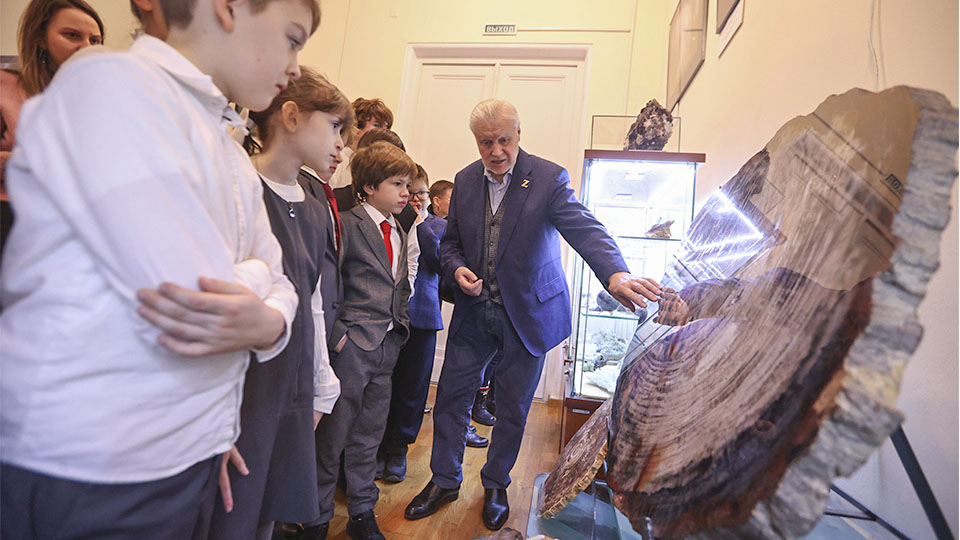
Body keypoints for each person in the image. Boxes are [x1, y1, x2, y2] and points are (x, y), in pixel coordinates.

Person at [0, 1, 320, 538]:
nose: (294, 68)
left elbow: (282, 277)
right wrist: (258, 286)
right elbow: (184, 299)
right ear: (226, 7)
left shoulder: (229, 149)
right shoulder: (109, 86)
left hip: (186, 447)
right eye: (292, 38)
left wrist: (267, 321)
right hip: (96, 465)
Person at [404, 99, 662, 531]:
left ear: (519, 135)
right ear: (476, 142)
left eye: (504, 140)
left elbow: (585, 228)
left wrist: (615, 273)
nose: (496, 151)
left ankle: (495, 483)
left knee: (512, 408)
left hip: (527, 313)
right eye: (486, 142)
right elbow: (450, 244)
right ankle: (445, 480)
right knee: (450, 397)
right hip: (474, 311)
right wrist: (456, 267)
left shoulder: (548, 178)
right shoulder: (464, 181)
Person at [207, 67, 351, 540]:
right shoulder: (239, 187)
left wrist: (321, 381)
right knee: (232, 509)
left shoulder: (315, 206)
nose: (341, 144)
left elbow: (312, 300)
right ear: (291, 117)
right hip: (245, 379)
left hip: (293, 375)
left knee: (272, 500)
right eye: (334, 126)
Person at [307, 141, 415, 540]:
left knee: (369, 434)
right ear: (369, 186)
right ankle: (316, 516)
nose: (405, 192)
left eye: (407, 185)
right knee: (332, 435)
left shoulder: (399, 229)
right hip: (351, 348)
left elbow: (400, 284)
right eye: (397, 184)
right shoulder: (346, 224)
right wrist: (338, 338)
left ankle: (362, 510)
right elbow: (327, 283)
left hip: (386, 348)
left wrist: (399, 327)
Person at [2, 0, 104, 263]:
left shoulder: (101, 98)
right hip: (13, 216)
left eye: (95, 40)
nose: (86, 47)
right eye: (72, 35)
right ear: (40, 38)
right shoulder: (6, 88)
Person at [328, 97, 394, 188]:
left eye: (386, 127)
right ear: (356, 126)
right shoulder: (336, 160)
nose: (384, 132)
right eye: (377, 125)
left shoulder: (377, 166)